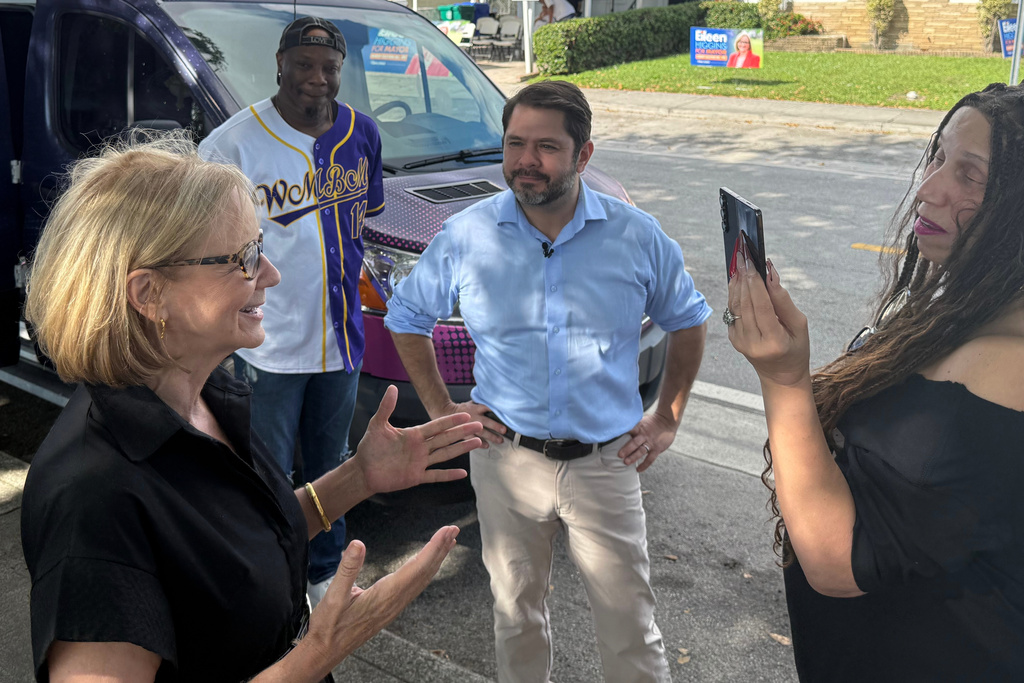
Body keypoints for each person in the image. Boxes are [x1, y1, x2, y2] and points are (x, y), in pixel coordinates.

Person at [20, 135, 484, 683]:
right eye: (242, 258)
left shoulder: (202, 395)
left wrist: (358, 477)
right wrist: (316, 656)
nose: (270, 274)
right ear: (148, 294)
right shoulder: (92, 499)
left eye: (259, 248)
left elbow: (235, 551)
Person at [386, 81, 711, 683]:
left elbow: (689, 321)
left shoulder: (636, 235)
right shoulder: (468, 234)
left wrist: (667, 416)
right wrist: (443, 412)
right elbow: (406, 318)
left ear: (583, 155)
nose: (526, 162)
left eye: (546, 147)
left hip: (606, 464)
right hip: (505, 461)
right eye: (514, 144)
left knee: (629, 628)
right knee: (516, 616)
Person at [726, 82, 1024, 680]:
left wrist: (784, 380)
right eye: (937, 158)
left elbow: (840, 560)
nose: (930, 188)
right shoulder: (964, 314)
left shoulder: (1004, 369)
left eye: (972, 177)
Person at [198, 16, 381, 606]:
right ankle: (271, 577)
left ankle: (323, 573)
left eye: (329, 67)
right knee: (268, 472)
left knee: (332, 466)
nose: (316, 78)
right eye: (303, 64)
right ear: (280, 63)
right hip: (269, 343)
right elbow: (199, 237)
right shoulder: (233, 144)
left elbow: (363, 220)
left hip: (342, 338)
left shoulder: (362, 133)